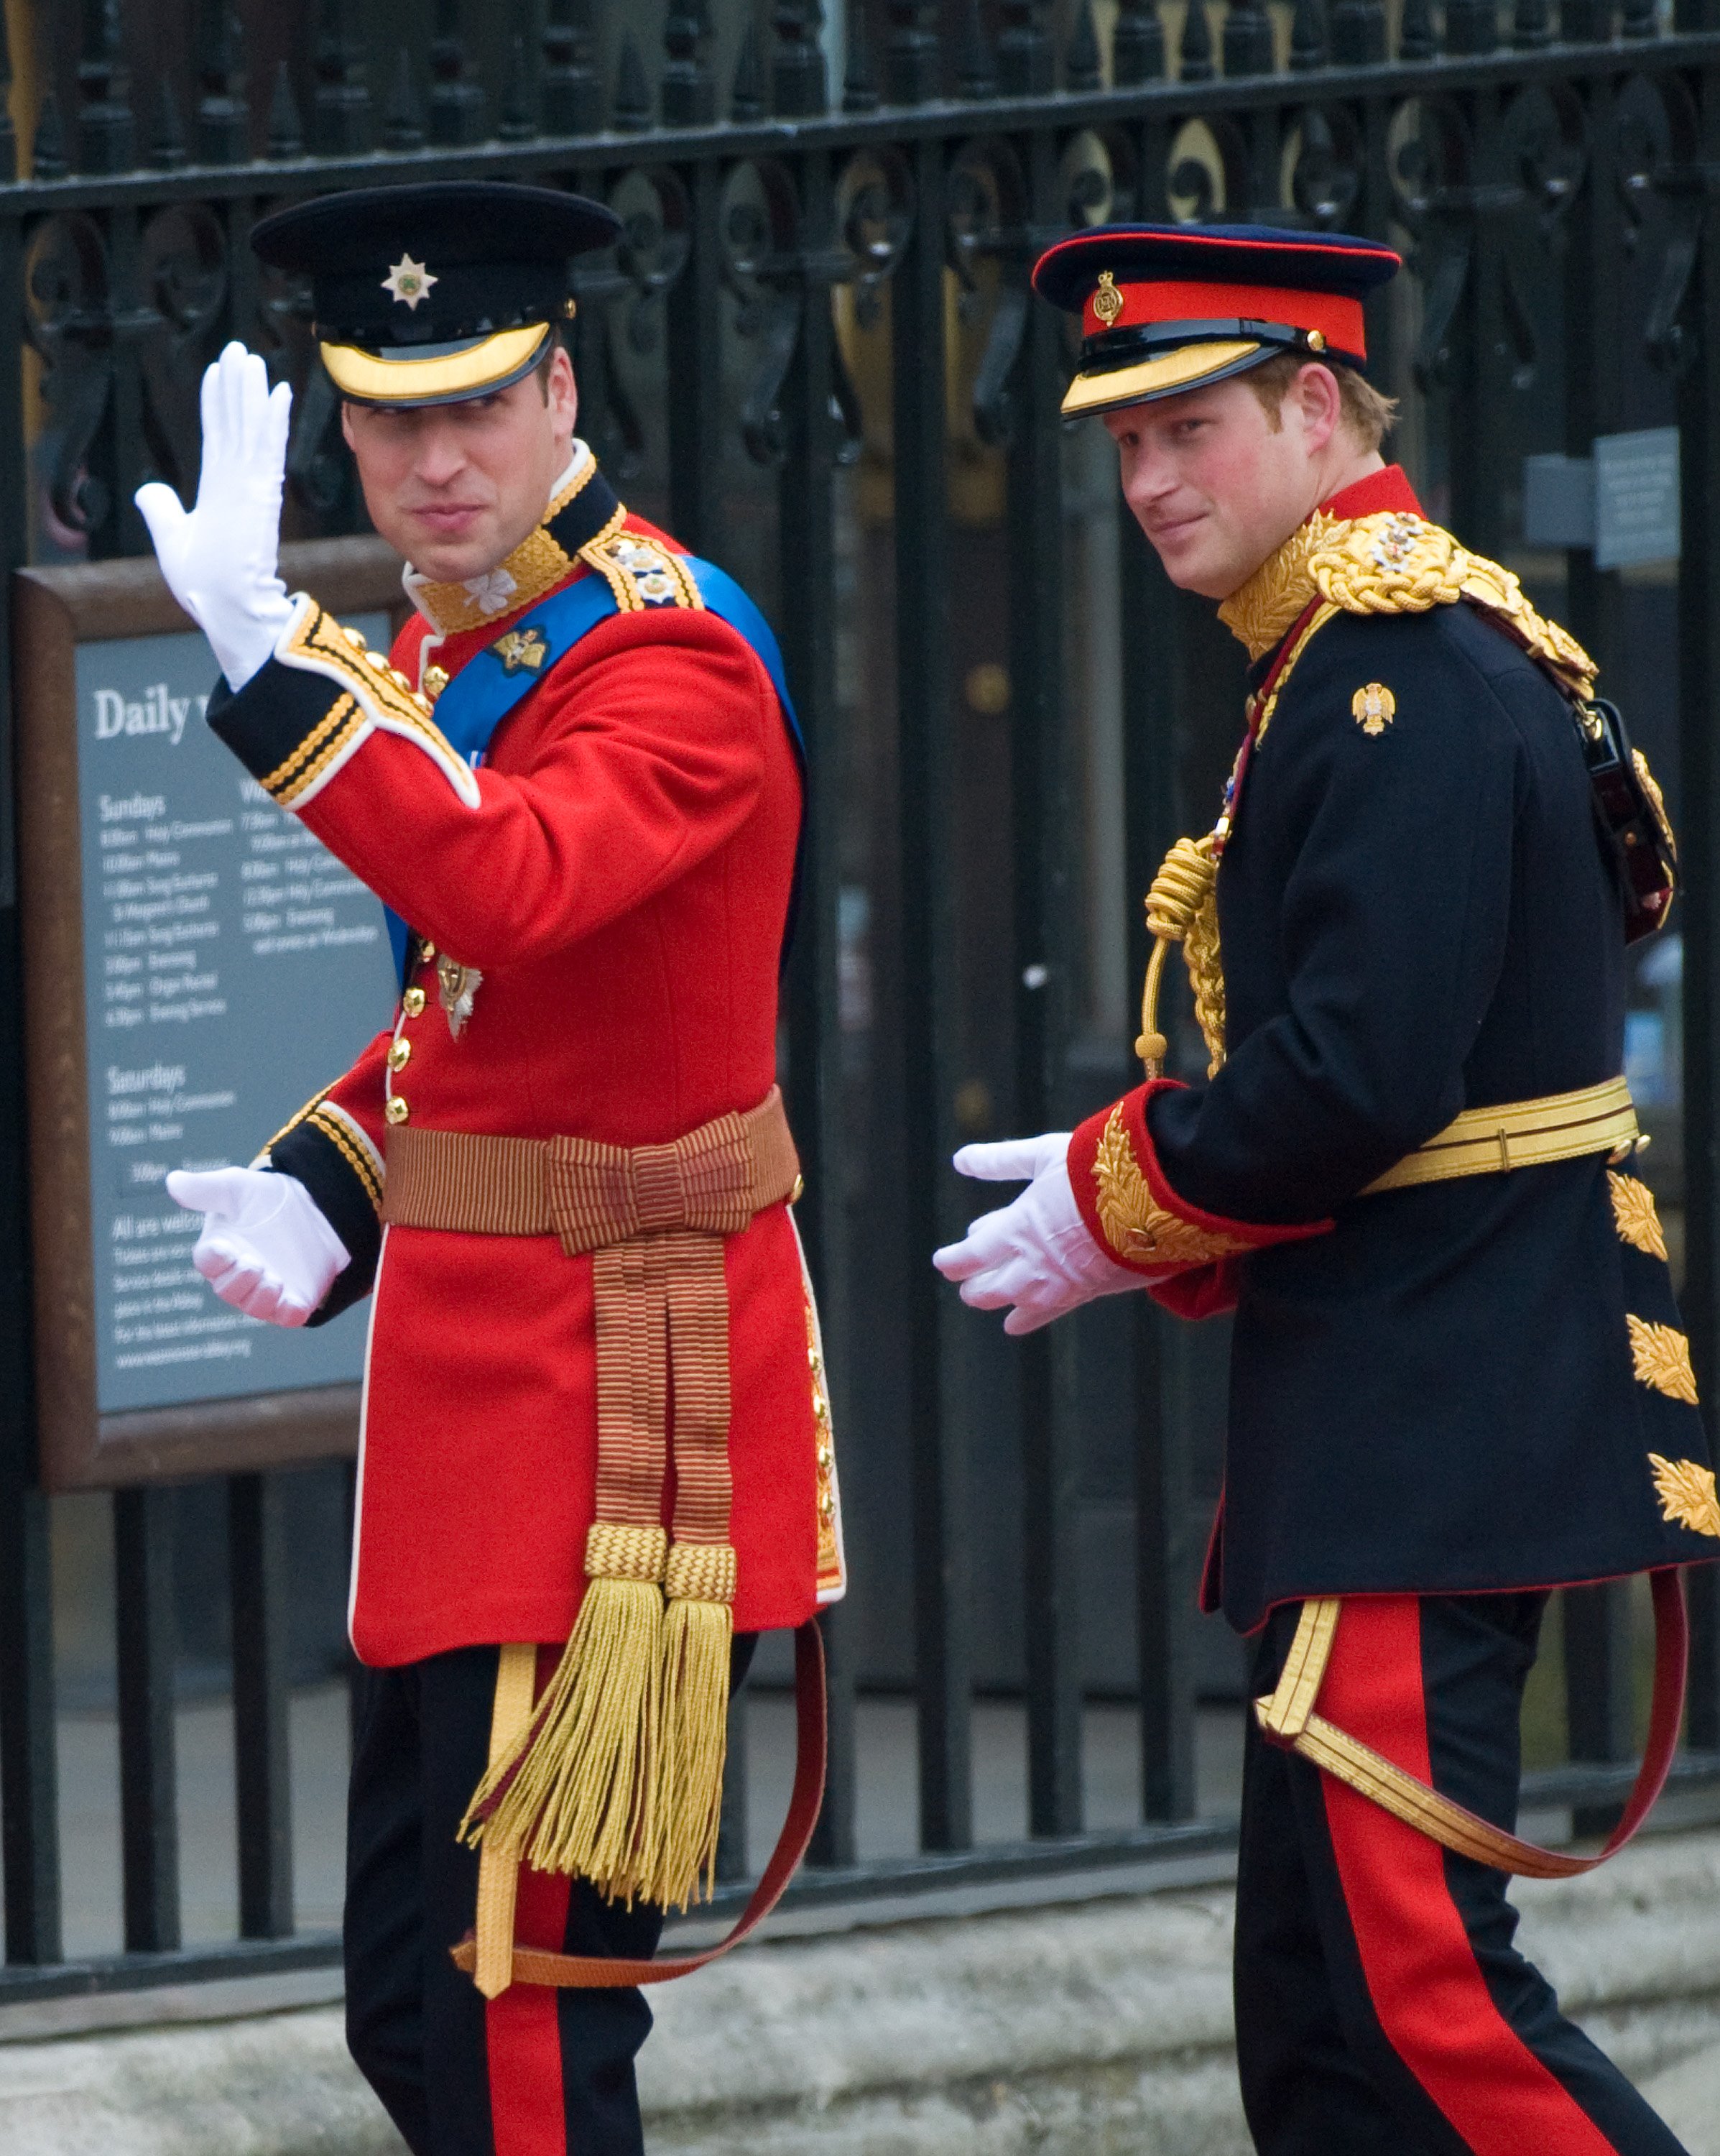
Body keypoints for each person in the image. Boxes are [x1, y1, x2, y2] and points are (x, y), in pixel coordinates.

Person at [935, 222, 1718, 2155]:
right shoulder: (1356, 650)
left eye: (1187, 427)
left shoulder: (1388, 671)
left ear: (1312, 405)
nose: (1148, 484)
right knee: (1312, 2014)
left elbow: (1360, 1075)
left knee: (1417, 1986)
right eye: (1122, 446)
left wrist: (1120, 1190)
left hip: (1432, 1405)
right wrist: (1144, 1173)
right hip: (1412, 1387)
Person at [137, 180, 844, 2156]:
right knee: (418, 2011)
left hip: (610, 1404)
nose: (434, 462)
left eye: (472, 409)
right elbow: (482, 1007)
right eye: (389, 420)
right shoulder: (476, 639)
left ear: (558, 387)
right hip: (489, 1391)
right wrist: (339, 1174)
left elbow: (510, 889)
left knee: (519, 2030)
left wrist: (278, 666)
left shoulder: (668, 656)